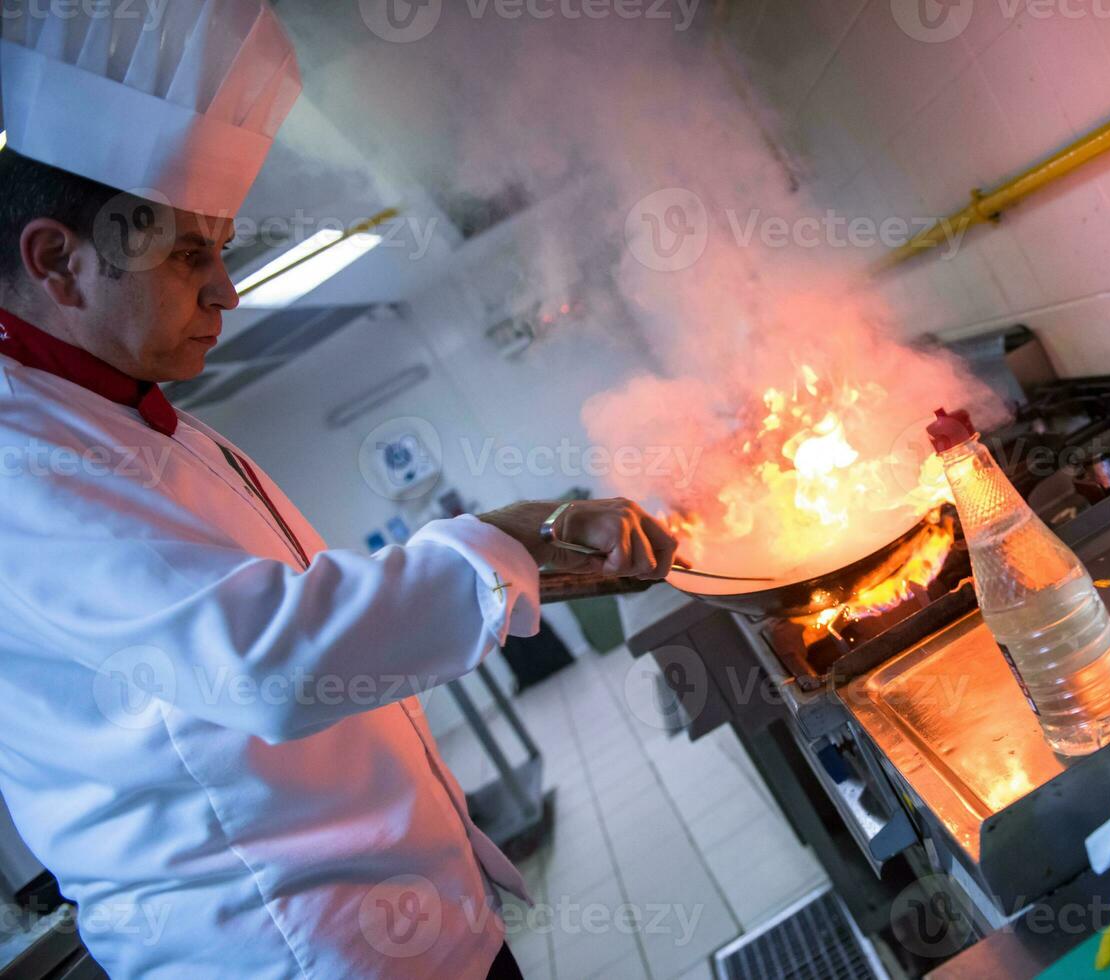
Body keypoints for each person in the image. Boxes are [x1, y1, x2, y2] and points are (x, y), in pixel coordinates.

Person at [0, 3, 676, 977]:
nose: (226, 290)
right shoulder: (22, 456)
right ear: (59, 261)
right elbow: (265, 660)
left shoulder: (155, 426)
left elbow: (303, 605)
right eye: (192, 254)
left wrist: (529, 543)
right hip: (294, 954)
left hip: (410, 924)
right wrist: (511, 545)